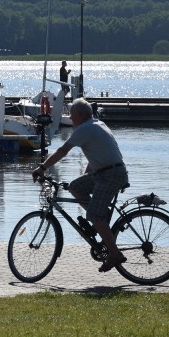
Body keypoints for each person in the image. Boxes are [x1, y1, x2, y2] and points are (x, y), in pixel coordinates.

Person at [32, 97, 128, 272]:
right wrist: (85, 179)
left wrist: (42, 168)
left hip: (109, 175)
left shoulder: (84, 129)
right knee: (75, 186)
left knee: (94, 215)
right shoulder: (97, 124)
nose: (70, 118)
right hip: (108, 171)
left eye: (71, 115)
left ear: (80, 115)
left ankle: (114, 253)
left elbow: (62, 151)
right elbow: (97, 156)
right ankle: (101, 215)